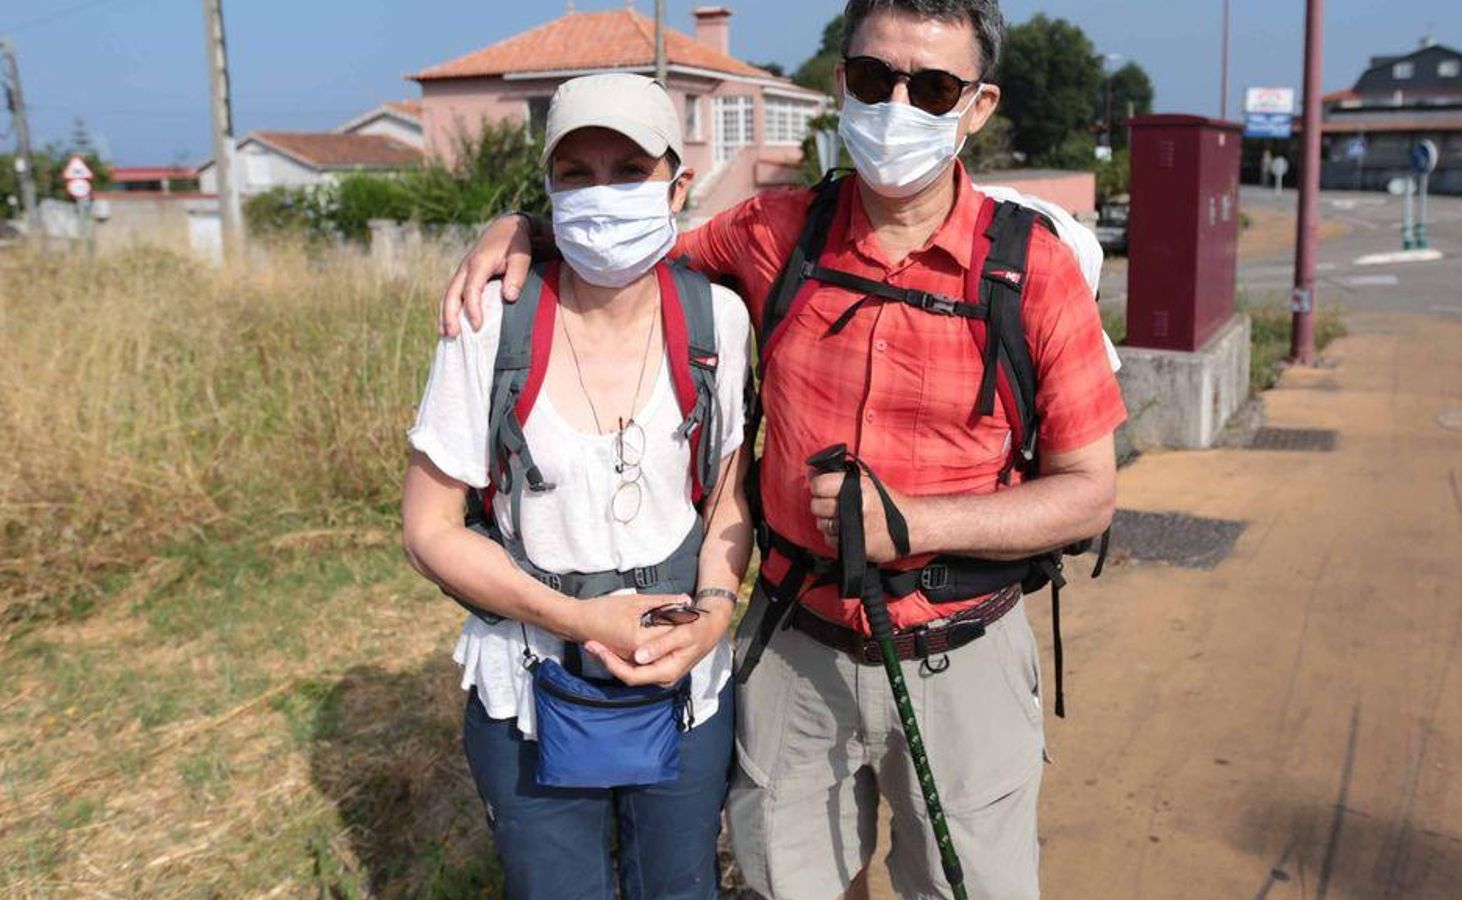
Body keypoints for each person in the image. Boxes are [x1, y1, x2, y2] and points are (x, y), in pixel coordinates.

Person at [439, 2, 1125, 897]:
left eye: (936, 88)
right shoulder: (774, 231)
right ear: (843, 82)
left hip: (965, 654)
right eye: (876, 80)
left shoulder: (1032, 268)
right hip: (798, 641)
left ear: (980, 105)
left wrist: (914, 522)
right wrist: (522, 228)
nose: (898, 108)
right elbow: (627, 243)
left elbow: (1089, 494)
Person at [401, 73, 753, 900]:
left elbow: (729, 494)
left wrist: (713, 617)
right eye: (577, 173)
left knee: (681, 887)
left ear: (678, 184)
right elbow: (428, 530)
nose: (602, 195)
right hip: (529, 681)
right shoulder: (491, 322)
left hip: (685, 688)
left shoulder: (717, 322)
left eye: (628, 170)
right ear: (549, 186)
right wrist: (574, 618)